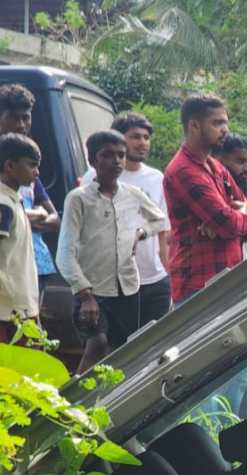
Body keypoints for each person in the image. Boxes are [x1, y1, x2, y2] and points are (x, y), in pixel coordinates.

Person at [59, 130, 169, 372]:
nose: (116, 161)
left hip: (127, 288)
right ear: (93, 160)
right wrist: (86, 296)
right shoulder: (78, 199)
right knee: (96, 346)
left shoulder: (132, 194)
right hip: (92, 289)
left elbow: (160, 220)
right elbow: (64, 254)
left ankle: (111, 404)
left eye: (120, 155)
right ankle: (71, 405)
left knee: (120, 351)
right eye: (107, 155)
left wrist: (140, 233)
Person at [163, 94, 247, 304]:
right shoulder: (184, 171)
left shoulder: (215, 166)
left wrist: (238, 214)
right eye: (217, 123)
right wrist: (233, 218)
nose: (225, 130)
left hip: (227, 279)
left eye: (225, 123)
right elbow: (228, 225)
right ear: (194, 125)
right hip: (198, 287)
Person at [82, 111, 173, 326]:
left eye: (146, 137)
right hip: (113, 281)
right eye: (135, 137)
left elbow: (164, 230)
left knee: (155, 345)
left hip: (154, 280)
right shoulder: (93, 177)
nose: (142, 143)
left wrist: (168, 275)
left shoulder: (156, 178)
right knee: (116, 348)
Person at [0, 84, 59, 290]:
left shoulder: (26, 166)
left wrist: (26, 218)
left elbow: (54, 219)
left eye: (26, 117)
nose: (21, 125)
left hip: (35, 266)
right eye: (14, 118)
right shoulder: (11, 165)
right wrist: (27, 215)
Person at [0, 133, 39, 342]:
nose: (37, 172)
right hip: (8, 311)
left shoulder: (15, 199)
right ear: (10, 166)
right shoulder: (3, 203)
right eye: (31, 165)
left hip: (18, 306)